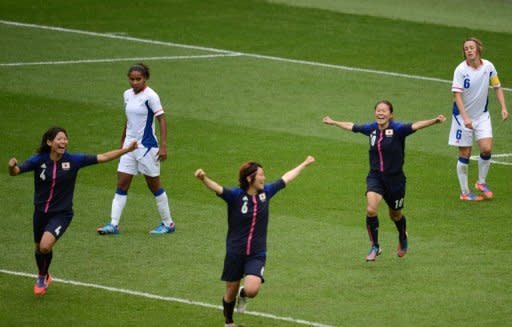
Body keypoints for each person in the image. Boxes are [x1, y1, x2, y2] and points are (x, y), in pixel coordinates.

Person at [8, 127, 137, 296]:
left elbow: (103, 157)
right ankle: (45, 274)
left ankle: (41, 277)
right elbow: (16, 172)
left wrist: (126, 150)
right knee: (39, 248)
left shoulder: (74, 160)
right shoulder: (39, 160)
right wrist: (12, 166)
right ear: (49, 142)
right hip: (40, 213)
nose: (64, 142)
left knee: (45, 246)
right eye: (59, 139)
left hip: (62, 214)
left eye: (65, 139)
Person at [194, 156, 315, 327]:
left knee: (252, 289)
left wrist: (304, 164)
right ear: (250, 178)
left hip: (256, 253)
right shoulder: (236, 196)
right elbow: (218, 189)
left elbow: (286, 178)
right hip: (235, 252)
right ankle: (229, 322)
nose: (264, 178)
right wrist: (203, 178)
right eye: (261, 175)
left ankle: (243, 295)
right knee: (230, 292)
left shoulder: (266, 193)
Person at [323, 100, 445, 261]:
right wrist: (333, 122)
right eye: (378, 110)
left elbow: (416, 125)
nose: (380, 113)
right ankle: (375, 245)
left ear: (391, 114)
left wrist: (434, 121)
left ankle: (402, 235)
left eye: (384, 111)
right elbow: (352, 126)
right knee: (371, 209)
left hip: (395, 180)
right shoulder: (371, 129)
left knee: (395, 215)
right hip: (375, 177)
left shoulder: (398, 129)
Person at [97, 63, 176, 235]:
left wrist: (163, 146)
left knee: (154, 186)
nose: (134, 82)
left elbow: (161, 119)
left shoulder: (151, 96)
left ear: (145, 78)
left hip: (147, 147)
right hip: (129, 147)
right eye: (131, 79)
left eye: (138, 79)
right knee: (122, 184)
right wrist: (122, 144)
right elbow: (129, 120)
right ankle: (113, 224)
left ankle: (168, 223)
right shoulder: (126, 95)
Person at [449, 37, 509, 201]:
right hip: (462, 117)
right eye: (466, 48)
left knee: (486, 149)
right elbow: (457, 95)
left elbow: (497, 87)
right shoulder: (460, 70)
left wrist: (503, 107)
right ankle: (465, 193)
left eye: (471, 47)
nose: (468, 50)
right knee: (465, 153)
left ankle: (481, 183)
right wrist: (466, 118)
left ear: (478, 49)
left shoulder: (488, 67)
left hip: (482, 115)